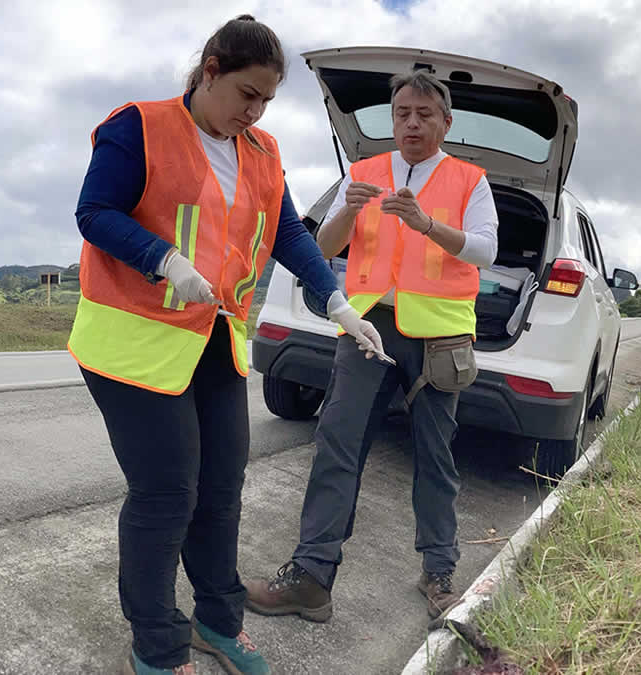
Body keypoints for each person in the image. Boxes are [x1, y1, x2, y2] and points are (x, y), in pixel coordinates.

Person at [70, 15, 385, 675]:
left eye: (267, 100)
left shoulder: (264, 152)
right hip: (132, 342)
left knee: (220, 489)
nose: (255, 110)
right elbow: (94, 212)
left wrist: (337, 302)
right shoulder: (140, 126)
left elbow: (289, 236)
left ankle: (218, 620)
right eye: (247, 93)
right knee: (166, 494)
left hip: (213, 341)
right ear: (210, 69)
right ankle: (156, 646)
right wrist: (164, 259)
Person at [245, 70, 499, 622]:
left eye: (424, 114)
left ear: (445, 122)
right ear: (393, 118)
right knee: (337, 445)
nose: (412, 122)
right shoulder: (362, 173)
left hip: (438, 338)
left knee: (435, 456)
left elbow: (483, 250)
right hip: (366, 331)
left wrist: (426, 223)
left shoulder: (468, 180)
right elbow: (322, 247)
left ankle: (439, 575)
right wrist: (348, 210)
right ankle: (312, 577)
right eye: (402, 113)